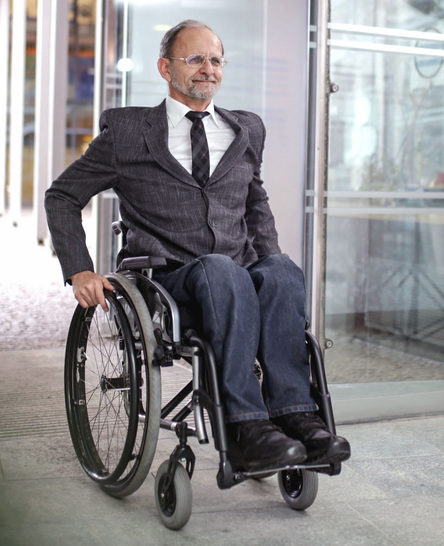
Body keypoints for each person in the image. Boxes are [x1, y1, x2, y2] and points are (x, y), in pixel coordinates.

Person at [45, 19, 350, 472]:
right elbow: (63, 196)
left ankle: (296, 415)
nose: (207, 69)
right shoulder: (128, 133)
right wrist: (80, 269)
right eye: (195, 59)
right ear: (166, 68)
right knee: (221, 270)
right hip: (170, 283)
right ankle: (247, 426)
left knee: (283, 271)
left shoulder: (246, 129)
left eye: (215, 60)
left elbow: (255, 202)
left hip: (236, 277)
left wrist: (270, 259)